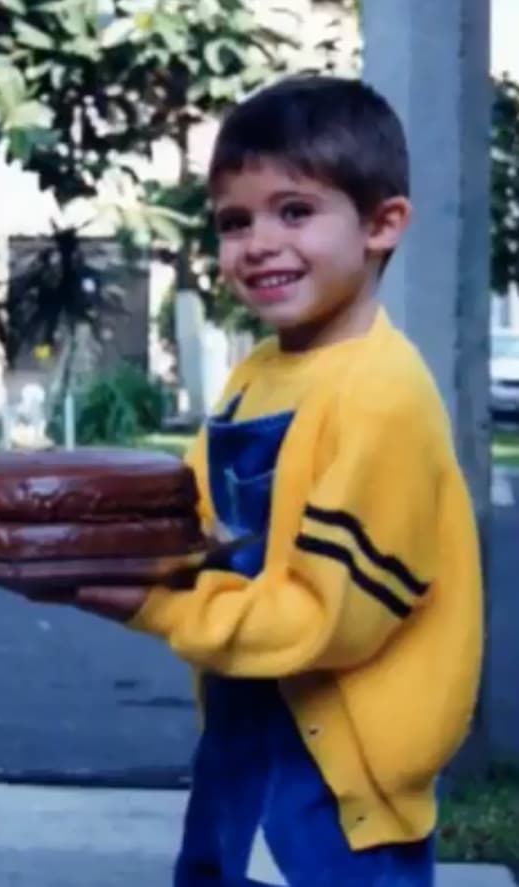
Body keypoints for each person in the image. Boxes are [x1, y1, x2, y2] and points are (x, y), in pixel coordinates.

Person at [59, 76, 483, 886]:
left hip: (334, 777)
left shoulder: (380, 395)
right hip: (244, 730)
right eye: (234, 221)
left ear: (381, 224)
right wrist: (47, 536)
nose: (257, 242)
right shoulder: (261, 372)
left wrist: (150, 603)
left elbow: (329, 623)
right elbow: (182, 516)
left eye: (294, 211)